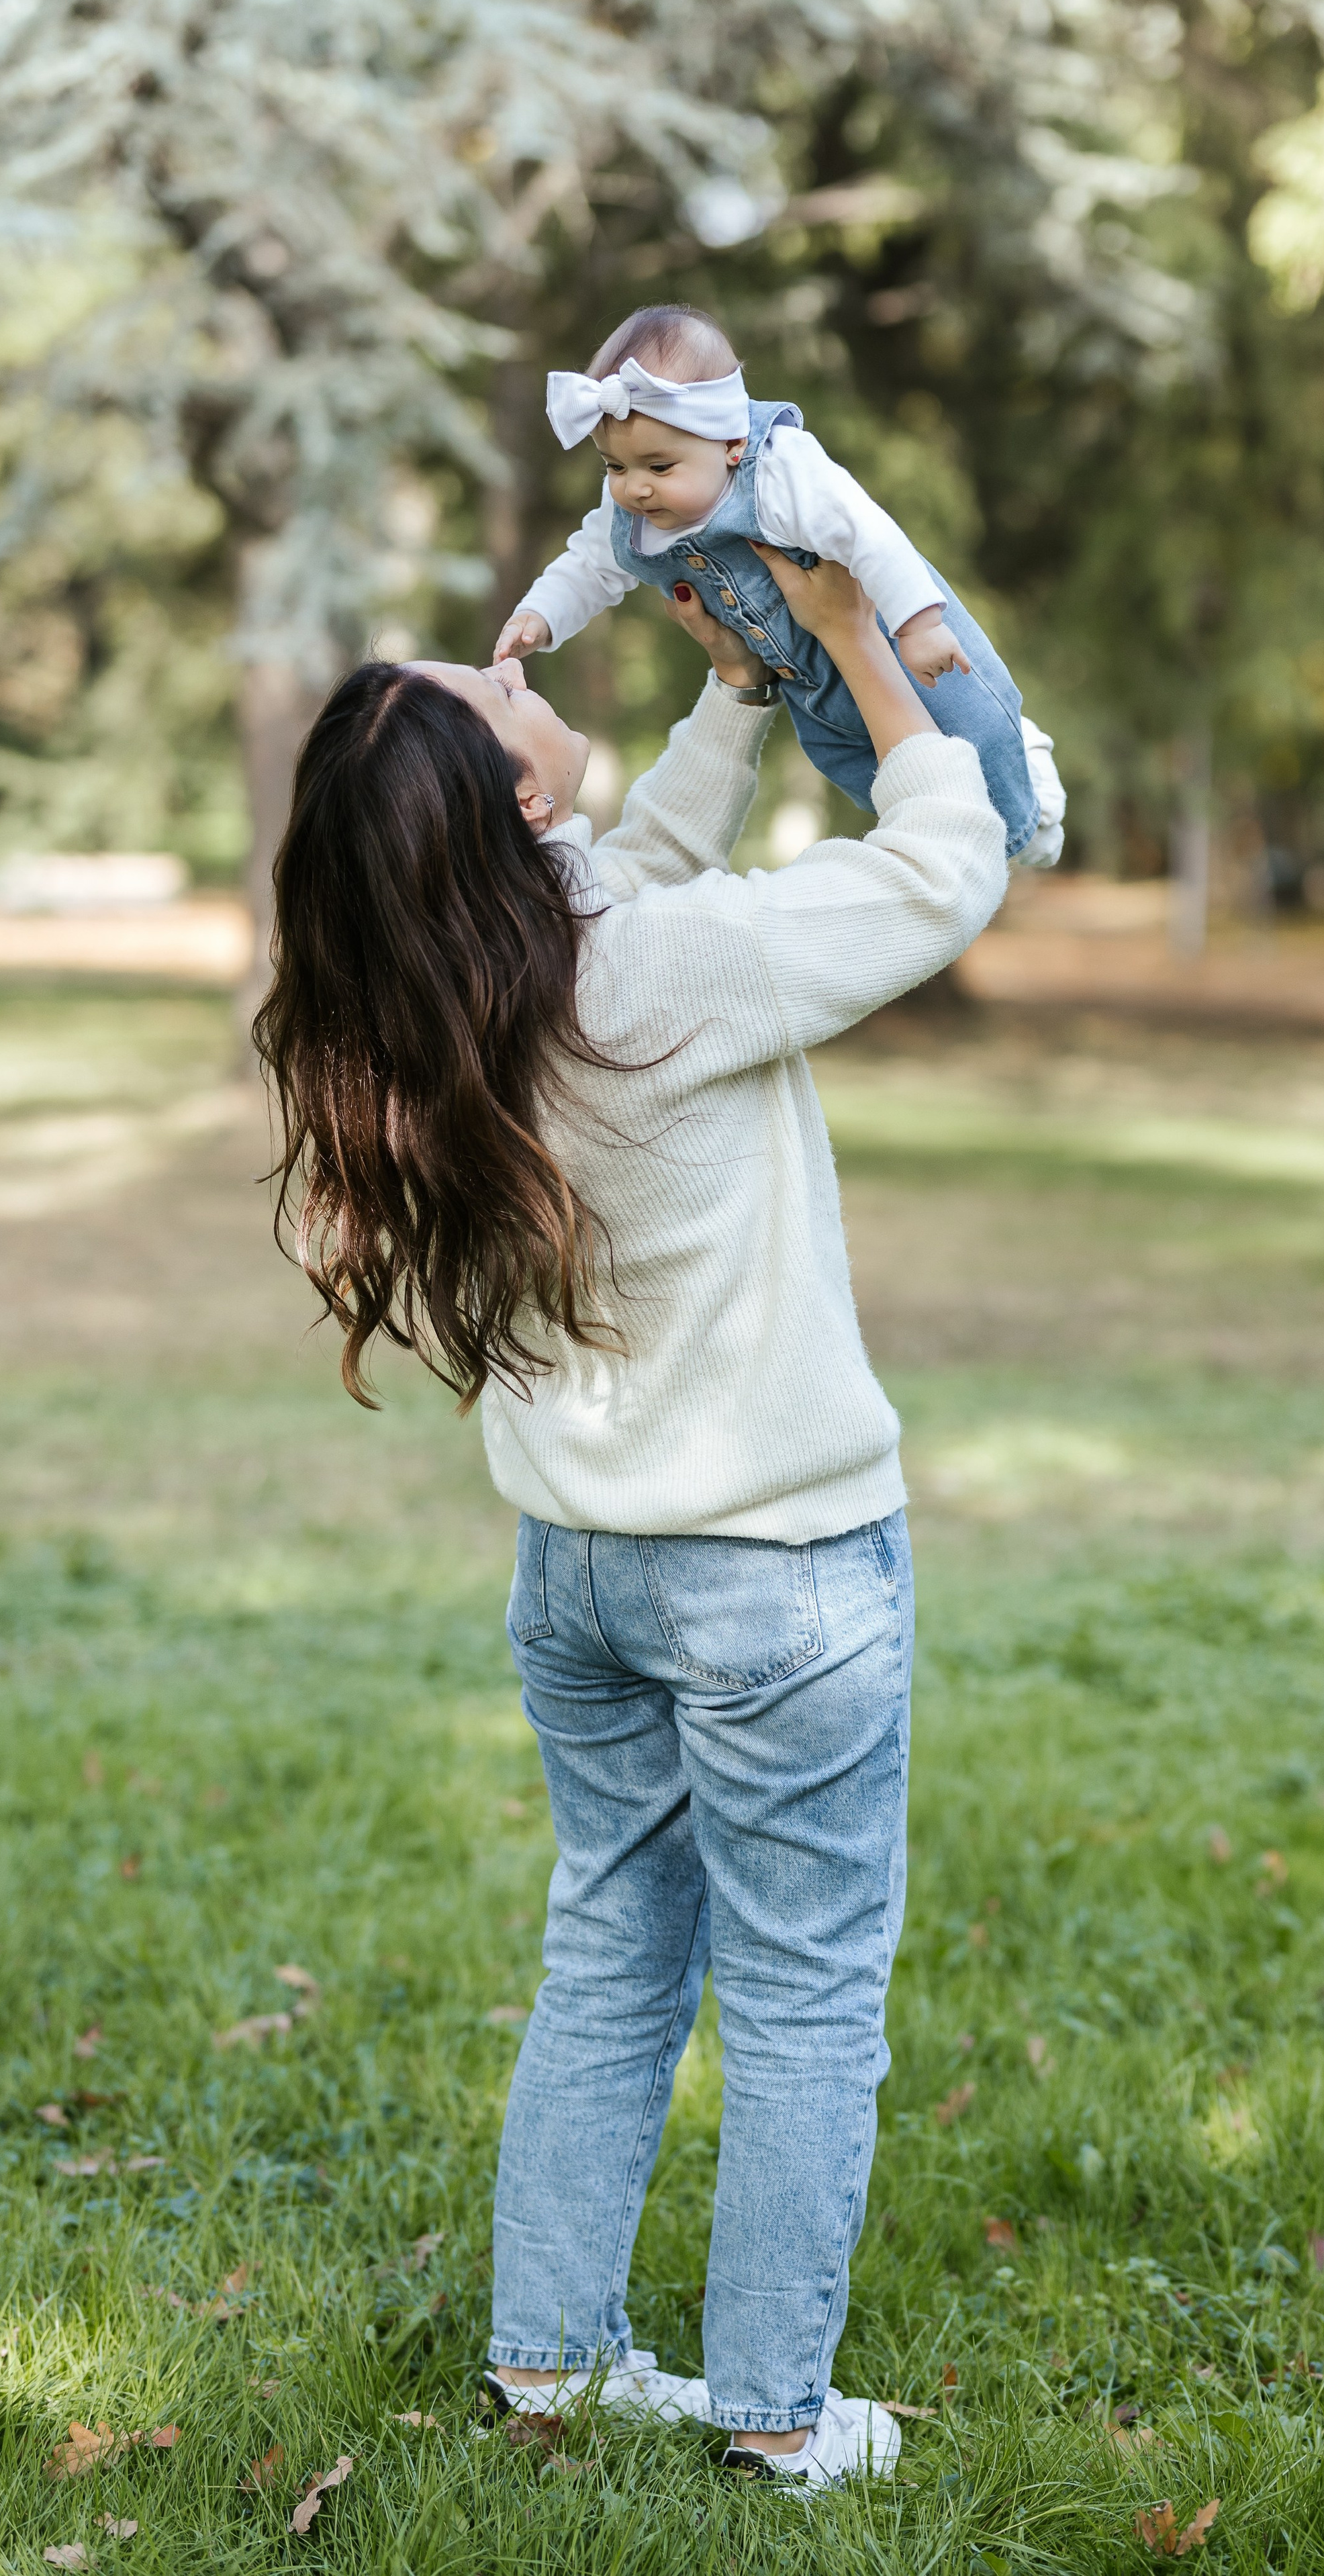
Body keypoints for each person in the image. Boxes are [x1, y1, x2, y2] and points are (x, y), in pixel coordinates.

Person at [252, 551, 1007, 2485]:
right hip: (774, 1576)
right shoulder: (654, 977)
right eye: (496, 689)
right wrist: (848, 645)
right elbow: (946, 870)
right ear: (516, 800)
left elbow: (620, 878)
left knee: (609, 1957)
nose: (517, 666)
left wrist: (738, 701)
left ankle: (549, 2367)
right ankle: (776, 2419)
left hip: (581, 1574)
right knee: (805, 1990)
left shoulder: (449, 1005)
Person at [493, 301, 1066, 868]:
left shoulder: (777, 470)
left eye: (659, 467)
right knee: (871, 778)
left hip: (892, 637)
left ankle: (1030, 805)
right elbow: (588, 564)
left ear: (732, 445)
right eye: (615, 467)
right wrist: (540, 614)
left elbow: (869, 533)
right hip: (807, 687)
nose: (634, 488)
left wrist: (921, 626)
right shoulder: (632, 515)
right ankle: (993, 835)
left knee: (972, 736)